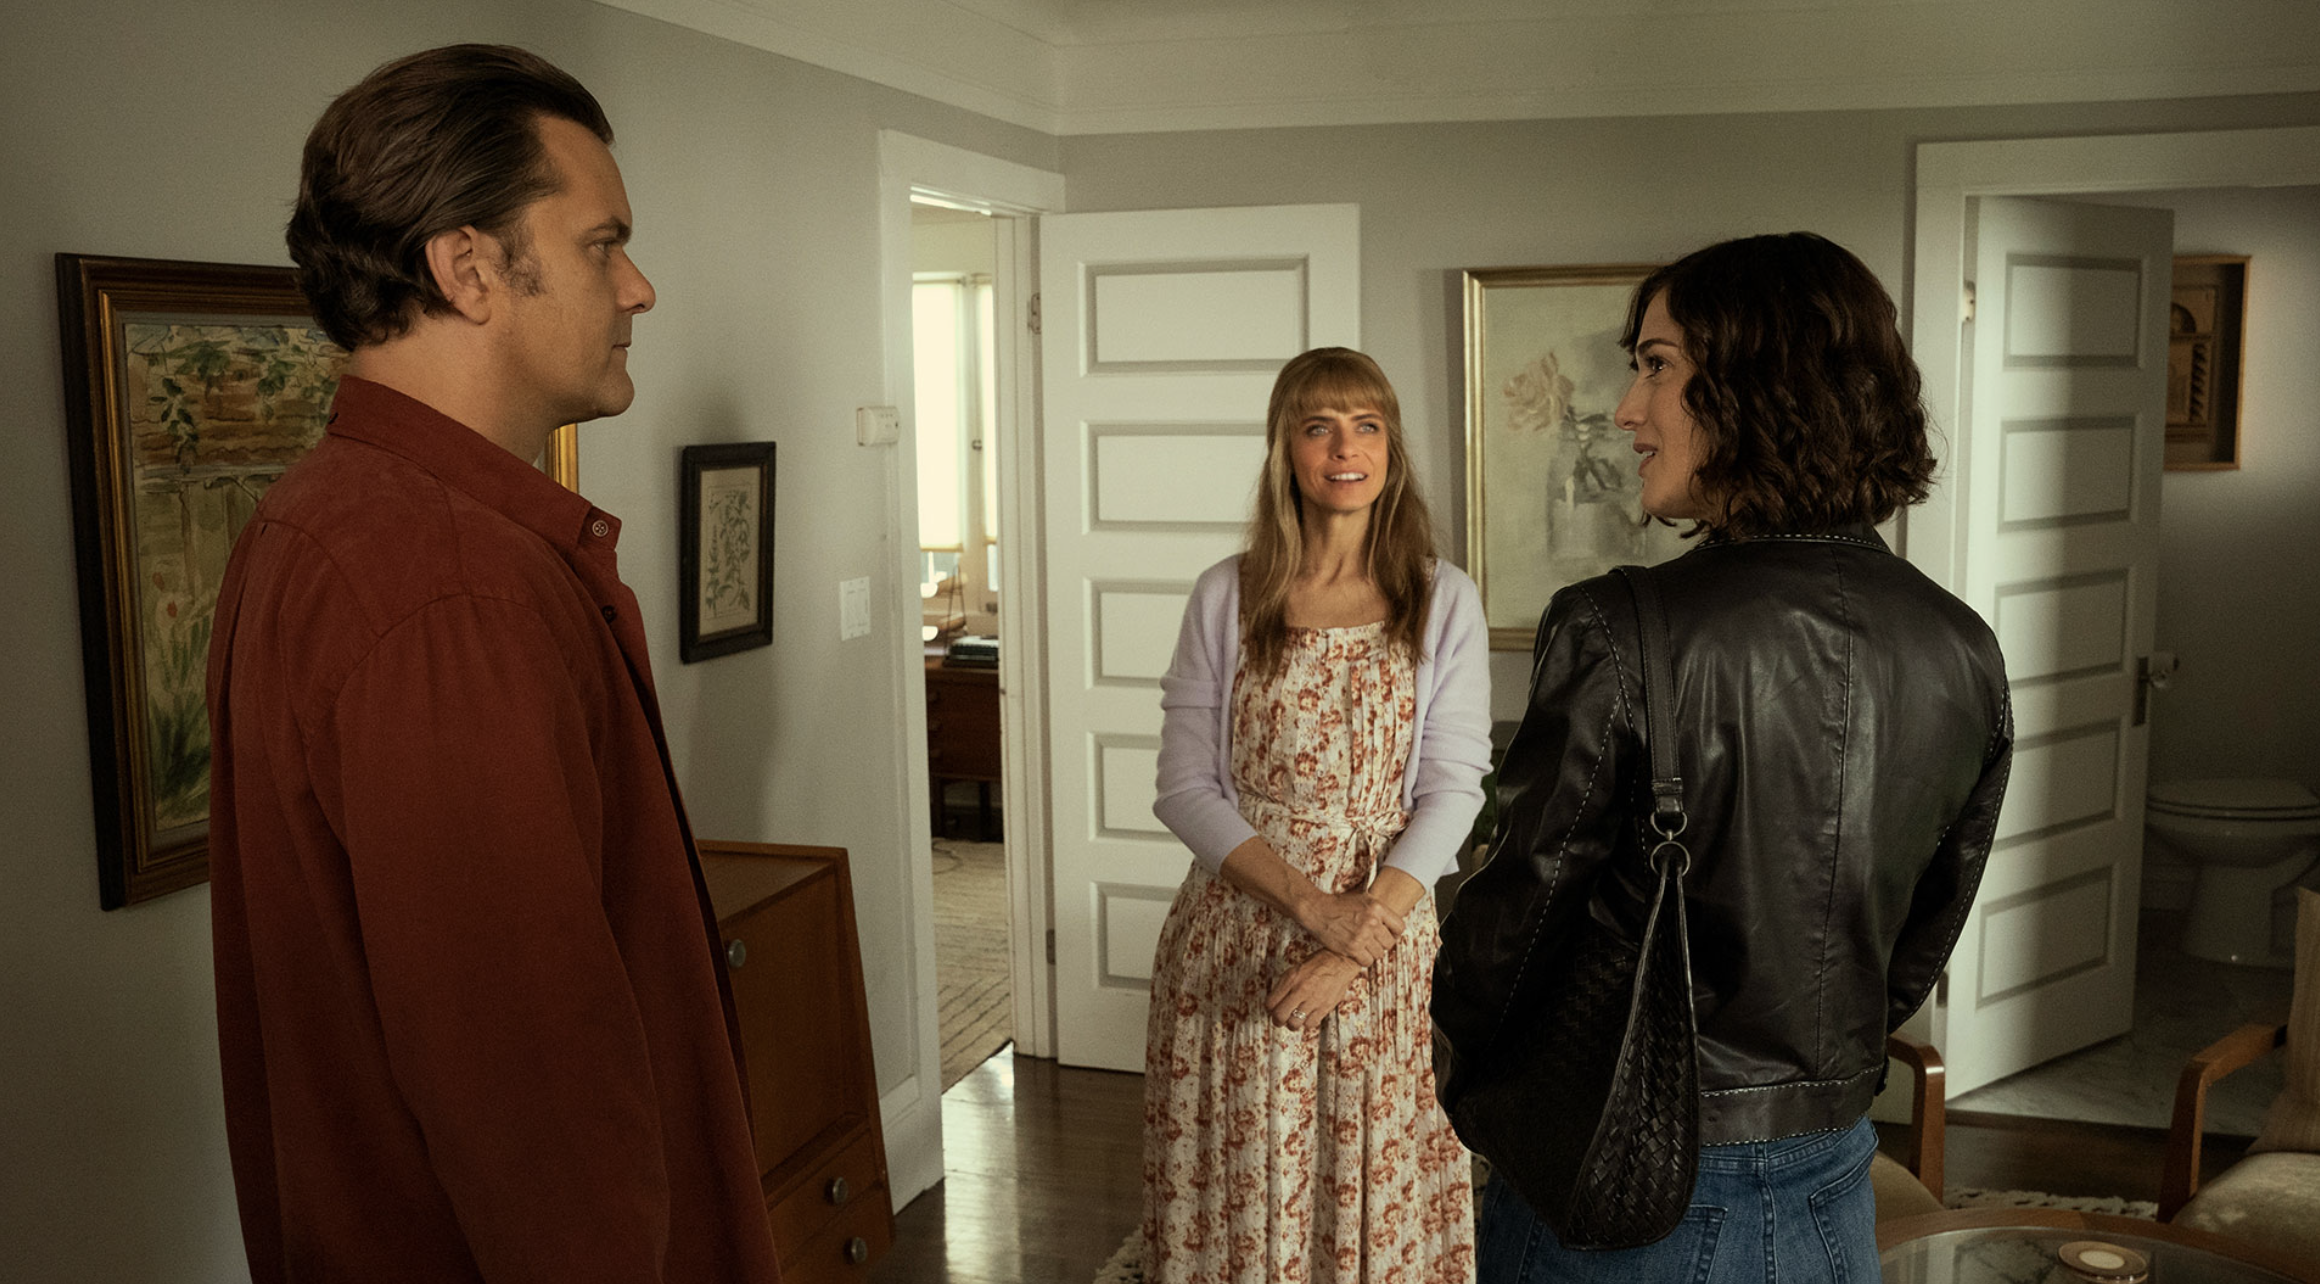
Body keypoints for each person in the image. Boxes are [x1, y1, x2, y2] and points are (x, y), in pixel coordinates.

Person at [205, 45, 783, 1283]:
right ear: (468, 268)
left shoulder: (323, 519)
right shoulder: (444, 583)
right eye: (601, 245)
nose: (638, 289)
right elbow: (533, 1093)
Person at [1432, 233, 2014, 1282]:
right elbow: (1918, 943)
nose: (1626, 408)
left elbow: (1511, 932)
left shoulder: (1618, 626)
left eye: (1655, 365)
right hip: (1837, 1190)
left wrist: (1475, 1078)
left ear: (1760, 383)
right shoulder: (1961, 647)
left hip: (1627, 1194)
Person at [1144, 347, 1491, 1283]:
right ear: (1286, 450)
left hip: (1382, 938)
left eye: (1366, 426)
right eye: (1319, 427)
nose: (1346, 449)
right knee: (1240, 1182)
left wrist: (1356, 936)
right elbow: (1184, 786)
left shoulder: (1442, 599)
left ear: (1391, 450)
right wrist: (1311, 907)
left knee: (1372, 1176)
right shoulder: (1228, 593)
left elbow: (1455, 785)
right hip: (1236, 936)